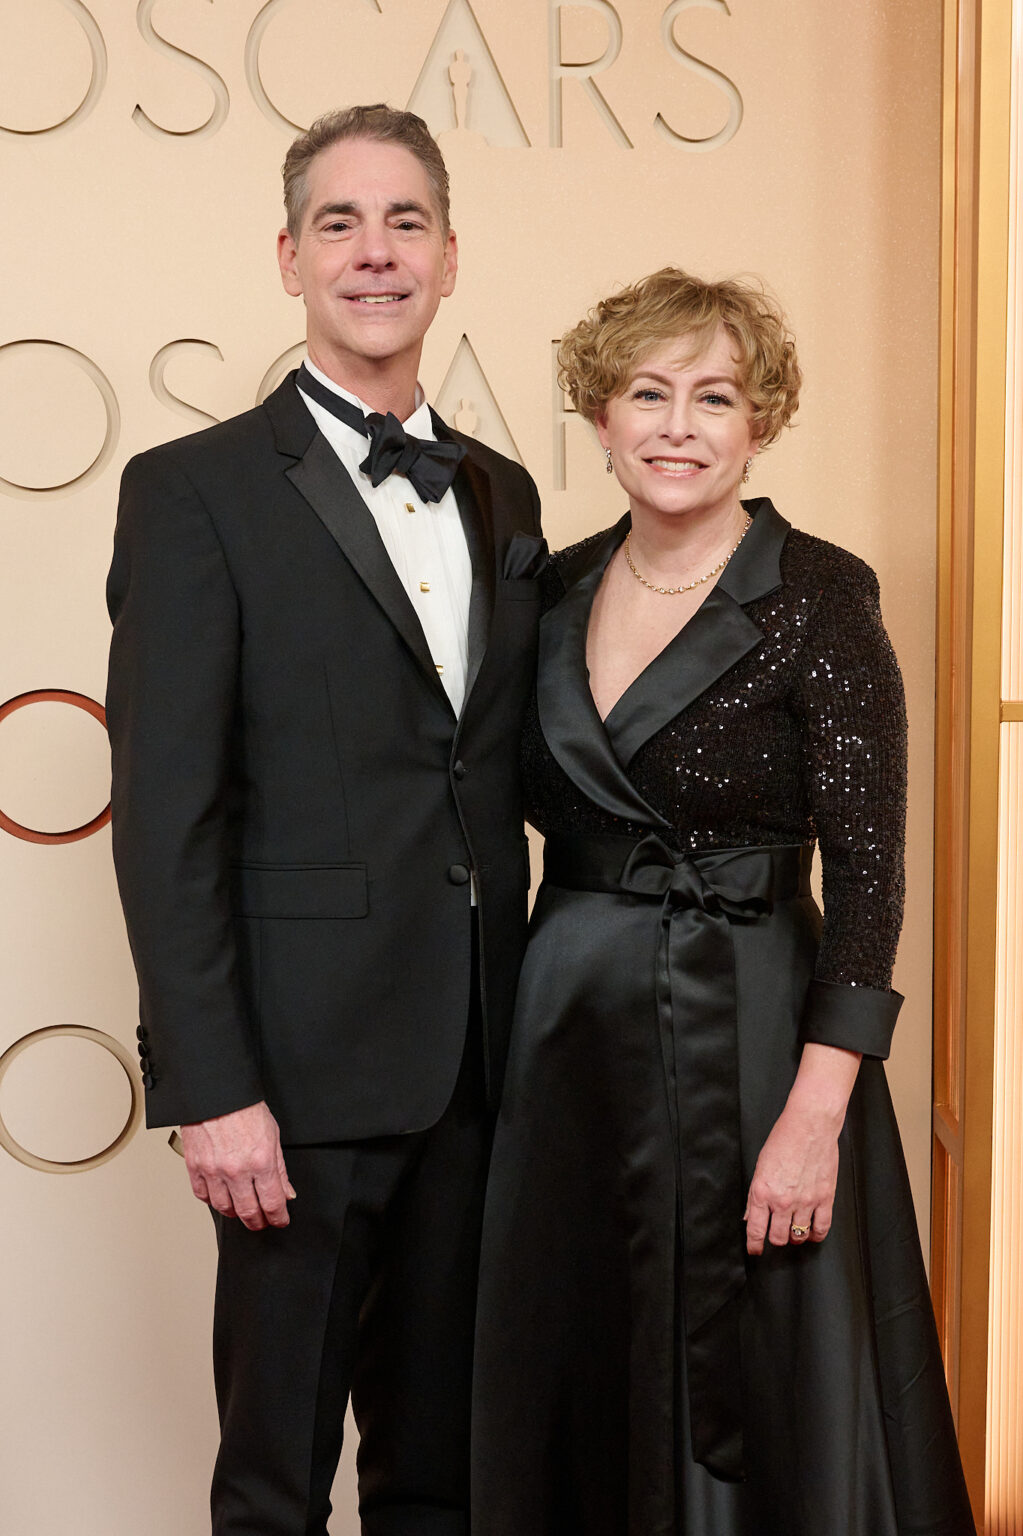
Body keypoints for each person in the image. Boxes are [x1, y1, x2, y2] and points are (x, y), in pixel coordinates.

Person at [471, 268, 975, 1536]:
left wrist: (820, 1110)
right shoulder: (555, 591)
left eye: (714, 397)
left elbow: (871, 873)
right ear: (600, 418)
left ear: (761, 423)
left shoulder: (819, 592)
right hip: (567, 1029)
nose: (678, 425)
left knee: (766, 1349)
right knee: (581, 1345)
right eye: (648, 393)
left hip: (757, 1030)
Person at [106, 104, 544, 1536]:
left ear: (450, 256)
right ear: (288, 257)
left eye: (404, 221)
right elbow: (166, 816)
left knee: (442, 1473)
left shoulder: (500, 491)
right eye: (341, 225)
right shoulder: (192, 492)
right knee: (275, 1478)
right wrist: (210, 1086)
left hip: (475, 1064)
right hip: (289, 1081)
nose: (375, 253)